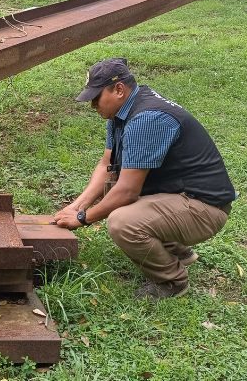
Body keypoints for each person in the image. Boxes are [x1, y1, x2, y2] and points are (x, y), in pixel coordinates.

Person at [54, 58, 236, 299]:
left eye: (96, 98)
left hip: (205, 208)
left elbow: (128, 191)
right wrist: (78, 205)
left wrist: (83, 218)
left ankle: (172, 281)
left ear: (118, 89)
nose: (92, 105)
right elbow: (107, 165)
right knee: (112, 189)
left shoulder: (147, 119)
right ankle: (177, 251)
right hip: (179, 196)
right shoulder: (123, 111)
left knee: (122, 220)